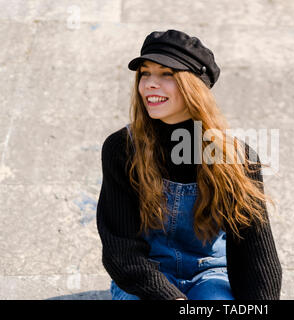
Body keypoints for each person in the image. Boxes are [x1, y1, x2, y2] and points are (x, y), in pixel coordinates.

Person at [96, 29, 282, 300]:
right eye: (145, 73)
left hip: (212, 275)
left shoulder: (237, 157)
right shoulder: (122, 149)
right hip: (146, 276)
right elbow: (120, 250)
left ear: (194, 87)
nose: (149, 83)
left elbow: (255, 253)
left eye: (166, 74)